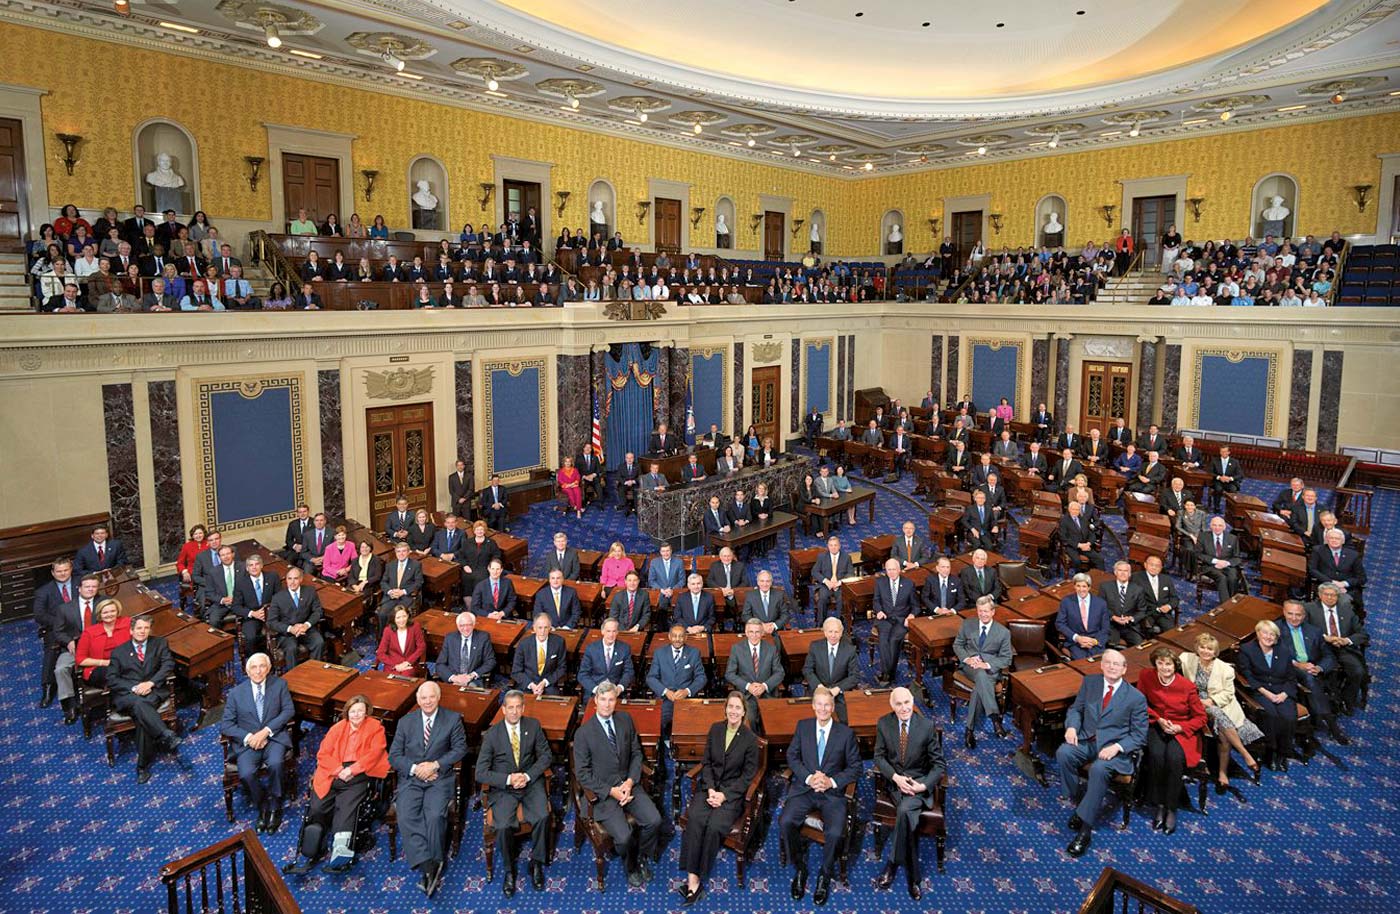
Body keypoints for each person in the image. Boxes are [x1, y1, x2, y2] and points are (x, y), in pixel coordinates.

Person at [1055, 649, 1149, 857]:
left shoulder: (1136, 698)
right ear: (1102, 665)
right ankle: (1080, 804)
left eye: (1117, 664)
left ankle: (1085, 831)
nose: (1112, 667)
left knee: (1098, 769)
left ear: (1124, 669)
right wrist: (1071, 727)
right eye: (1108, 663)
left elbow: (1139, 735)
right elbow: (1076, 710)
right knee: (1064, 754)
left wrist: (1117, 747)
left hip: (1114, 751)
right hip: (1087, 740)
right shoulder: (1091, 683)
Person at [283, 695, 390, 875]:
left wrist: (352, 770)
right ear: (347, 712)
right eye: (353, 711)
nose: (356, 715)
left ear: (367, 712)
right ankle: (313, 846)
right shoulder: (337, 728)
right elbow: (323, 754)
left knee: (346, 807)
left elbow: (375, 753)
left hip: (359, 773)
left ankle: (340, 851)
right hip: (332, 772)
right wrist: (339, 769)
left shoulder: (375, 727)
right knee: (317, 807)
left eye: (360, 711)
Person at [574, 680, 662, 887]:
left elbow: (636, 753)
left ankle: (640, 856)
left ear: (616, 701)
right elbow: (582, 774)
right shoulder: (584, 733)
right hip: (604, 794)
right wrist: (611, 791)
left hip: (628, 785)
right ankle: (630, 865)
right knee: (623, 838)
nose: (606, 704)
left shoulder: (625, 719)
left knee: (655, 820)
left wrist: (631, 781)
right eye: (602, 699)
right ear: (595, 701)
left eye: (611, 700)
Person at [677, 690, 760, 904]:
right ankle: (692, 880)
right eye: (730, 707)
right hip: (710, 788)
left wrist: (724, 795)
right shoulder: (715, 729)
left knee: (714, 826)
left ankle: (696, 879)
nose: (733, 711)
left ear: (744, 712)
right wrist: (712, 790)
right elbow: (706, 763)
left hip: (731, 795)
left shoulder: (750, 740)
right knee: (695, 819)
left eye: (737, 708)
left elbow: (747, 777)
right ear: (725, 709)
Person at [781, 687, 861, 905]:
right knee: (786, 822)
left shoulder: (845, 733)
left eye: (828, 705)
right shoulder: (803, 726)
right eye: (820, 704)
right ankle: (799, 868)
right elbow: (792, 756)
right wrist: (808, 778)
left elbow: (856, 768)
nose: (823, 709)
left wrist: (831, 782)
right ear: (813, 706)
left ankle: (825, 874)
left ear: (833, 707)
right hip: (804, 790)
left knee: (835, 833)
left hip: (831, 794)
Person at [389, 682, 466, 896]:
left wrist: (435, 765)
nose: (428, 701)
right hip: (412, 779)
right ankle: (427, 862)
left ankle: (433, 863)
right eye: (423, 698)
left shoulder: (452, 719)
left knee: (434, 816)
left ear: (438, 697)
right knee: (406, 814)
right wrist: (415, 769)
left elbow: (460, 748)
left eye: (431, 697)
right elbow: (394, 756)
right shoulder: (405, 722)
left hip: (439, 779)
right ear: (417, 700)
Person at [475, 689, 554, 897]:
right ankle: (509, 870)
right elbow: (480, 772)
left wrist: (527, 776)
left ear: (523, 708)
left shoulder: (533, 726)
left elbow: (546, 757)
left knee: (542, 816)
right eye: (510, 707)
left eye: (518, 707)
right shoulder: (492, 734)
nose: (514, 711)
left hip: (530, 783)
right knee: (502, 825)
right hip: (504, 788)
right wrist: (509, 779)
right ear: (503, 709)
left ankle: (536, 863)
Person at [873, 687, 945, 900]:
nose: (904, 708)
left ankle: (893, 864)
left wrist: (922, 787)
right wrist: (895, 777)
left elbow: (939, 765)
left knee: (905, 811)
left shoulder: (926, 726)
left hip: (919, 786)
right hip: (896, 785)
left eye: (907, 703)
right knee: (907, 817)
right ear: (891, 705)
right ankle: (913, 878)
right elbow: (878, 757)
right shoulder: (883, 723)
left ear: (912, 701)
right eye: (898, 704)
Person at [220, 653, 295, 833]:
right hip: (248, 743)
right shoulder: (236, 694)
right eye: (254, 667)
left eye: (262, 666)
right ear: (247, 671)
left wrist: (265, 732)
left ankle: (276, 805)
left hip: (273, 738)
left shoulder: (280, 685)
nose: (258, 671)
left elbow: (288, 711)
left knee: (276, 764)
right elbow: (226, 724)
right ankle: (262, 805)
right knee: (246, 774)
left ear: (268, 668)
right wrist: (248, 737)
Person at [1179, 634, 1262, 793]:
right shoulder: (1186, 659)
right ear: (1197, 648)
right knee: (1218, 719)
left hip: (1218, 705)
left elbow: (1229, 694)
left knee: (1221, 730)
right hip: (1194, 704)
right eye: (1202, 647)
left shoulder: (1225, 669)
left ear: (1215, 651)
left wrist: (1212, 700)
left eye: (1209, 649)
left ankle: (1223, 773)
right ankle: (1244, 754)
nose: (1205, 651)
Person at [1136, 648, 1206, 834]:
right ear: (1155, 664)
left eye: (1168, 663)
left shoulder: (1187, 686)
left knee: (1174, 759)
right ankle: (1159, 804)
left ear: (1175, 665)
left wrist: (1180, 728)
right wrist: (1157, 718)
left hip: (1181, 730)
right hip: (1157, 725)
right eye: (1160, 663)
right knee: (1157, 756)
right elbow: (1140, 702)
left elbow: (1201, 718)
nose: (1164, 667)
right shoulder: (1146, 676)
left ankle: (1171, 807)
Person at [107, 615, 182, 783]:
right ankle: (165, 734)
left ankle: (142, 767)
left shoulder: (160, 643)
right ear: (131, 631)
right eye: (139, 628)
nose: (142, 631)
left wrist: (151, 683)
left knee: (142, 718)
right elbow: (112, 679)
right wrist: (134, 688)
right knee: (141, 705)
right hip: (128, 696)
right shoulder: (119, 651)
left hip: (152, 692)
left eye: (146, 628)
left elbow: (168, 665)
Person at [1278, 600, 1349, 744]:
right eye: (1290, 614)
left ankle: (1322, 716)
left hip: (1313, 670)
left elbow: (1329, 656)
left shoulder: (1314, 631)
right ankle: (1331, 723)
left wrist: (1319, 668)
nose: (1294, 618)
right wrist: (1298, 664)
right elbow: (1274, 655)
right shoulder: (1276, 630)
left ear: (1304, 615)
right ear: (1284, 613)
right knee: (1309, 678)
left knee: (1311, 677)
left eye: (1298, 615)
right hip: (1288, 669)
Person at [953, 596, 1012, 746]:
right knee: (979, 674)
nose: (983, 614)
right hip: (970, 667)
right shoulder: (967, 624)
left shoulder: (1003, 632)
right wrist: (967, 659)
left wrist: (987, 664)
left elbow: (1006, 659)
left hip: (989, 671)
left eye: (986, 611)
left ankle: (969, 730)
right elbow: (958, 645)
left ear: (993, 612)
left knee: (979, 685)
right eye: (980, 611)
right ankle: (995, 718)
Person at [1237, 620, 1297, 771]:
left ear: (1276, 637)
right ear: (1258, 634)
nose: (1268, 637)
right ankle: (1271, 751)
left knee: (1289, 716)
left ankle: (1283, 754)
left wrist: (1284, 694)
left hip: (1281, 690)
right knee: (1271, 715)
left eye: (1272, 634)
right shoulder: (1247, 650)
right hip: (1260, 690)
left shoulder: (1284, 650)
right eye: (1265, 633)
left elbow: (1291, 677)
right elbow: (1248, 676)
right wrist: (1266, 693)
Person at [649, 623, 708, 743]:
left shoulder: (694, 653)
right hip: (666, 699)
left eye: (681, 636)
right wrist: (666, 692)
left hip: (686, 699)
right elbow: (651, 678)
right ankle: (664, 748)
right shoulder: (659, 653)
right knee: (659, 723)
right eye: (674, 636)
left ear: (686, 638)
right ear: (669, 637)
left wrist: (687, 691)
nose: (677, 639)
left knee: (694, 724)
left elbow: (701, 677)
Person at [802, 617, 859, 723]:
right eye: (830, 631)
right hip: (817, 691)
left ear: (841, 633)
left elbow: (854, 676)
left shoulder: (850, 650)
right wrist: (819, 686)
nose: (833, 635)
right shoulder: (815, 647)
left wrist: (837, 689)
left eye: (836, 632)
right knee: (809, 721)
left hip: (839, 695)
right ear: (825, 632)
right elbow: (807, 669)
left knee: (843, 723)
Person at [268, 567, 323, 666]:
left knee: (319, 642)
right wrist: (290, 629)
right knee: (291, 648)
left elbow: (318, 611)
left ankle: (315, 670)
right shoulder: (278, 597)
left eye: (295, 578)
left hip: (306, 629)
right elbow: (271, 622)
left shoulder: (310, 591)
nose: (292, 582)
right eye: (289, 579)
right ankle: (293, 677)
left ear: (301, 579)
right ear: (286, 580)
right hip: (287, 633)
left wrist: (306, 625)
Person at [873, 558, 916, 684]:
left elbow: (915, 605)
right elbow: (876, 600)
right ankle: (888, 674)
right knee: (883, 642)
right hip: (884, 618)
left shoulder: (909, 584)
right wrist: (879, 610)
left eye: (893, 569)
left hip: (901, 620)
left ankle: (887, 674)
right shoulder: (880, 582)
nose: (891, 572)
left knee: (893, 641)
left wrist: (911, 615)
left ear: (899, 570)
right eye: (888, 570)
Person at [232, 554, 279, 655]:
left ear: (261, 565)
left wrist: (268, 612)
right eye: (251, 565)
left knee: (281, 632)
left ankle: (274, 660)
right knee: (250, 636)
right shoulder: (241, 582)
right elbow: (236, 606)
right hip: (252, 617)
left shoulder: (272, 577)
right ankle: (253, 661)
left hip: (271, 615)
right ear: (247, 568)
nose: (254, 567)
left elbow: (279, 598)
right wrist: (253, 613)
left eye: (257, 564)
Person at [1055, 573, 1110, 659]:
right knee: (1082, 664)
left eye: (1084, 586)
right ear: (1074, 586)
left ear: (1089, 587)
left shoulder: (1101, 603)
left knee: (1099, 664)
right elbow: (1060, 623)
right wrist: (1077, 638)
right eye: (1078, 586)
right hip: (1075, 643)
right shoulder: (1066, 601)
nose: (1081, 589)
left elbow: (1105, 628)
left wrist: (1094, 641)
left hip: (1095, 642)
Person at [1309, 527, 1365, 609]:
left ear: (1343, 541)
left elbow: (1362, 578)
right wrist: (1332, 582)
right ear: (1327, 540)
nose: (1334, 540)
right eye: (1331, 538)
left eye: (1337, 538)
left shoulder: (1353, 555)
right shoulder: (1318, 550)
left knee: (1345, 604)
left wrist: (1344, 584)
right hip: (1325, 584)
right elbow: (1313, 570)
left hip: (1346, 589)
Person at [435, 611, 496, 687]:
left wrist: (472, 675)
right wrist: (454, 678)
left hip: (473, 680)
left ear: (474, 624)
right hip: (453, 679)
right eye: (462, 625)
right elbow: (440, 664)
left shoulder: (483, 637)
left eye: (469, 625)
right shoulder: (450, 638)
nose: (465, 629)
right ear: (457, 626)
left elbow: (490, 661)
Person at [512, 614, 565, 696]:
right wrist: (531, 685)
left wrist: (545, 682)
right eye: (540, 628)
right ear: (534, 628)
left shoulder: (559, 642)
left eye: (546, 627)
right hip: (527, 685)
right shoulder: (523, 644)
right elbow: (516, 672)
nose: (542, 631)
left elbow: (562, 668)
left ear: (550, 628)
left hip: (549, 684)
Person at [1101, 560, 1150, 647]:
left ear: (1130, 574)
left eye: (1126, 571)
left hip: (1130, 626)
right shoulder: (1105, 587)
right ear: (1115, 572)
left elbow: (1142, 611)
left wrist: (1131, 618)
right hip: (1111, 625)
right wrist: (1113, 617)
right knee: (1110, 646)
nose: (1123, 573)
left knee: (1139, 646)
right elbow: (1101, 608)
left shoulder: (1138, 589)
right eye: (1120, 570)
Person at [1196, 516, 1243, 603]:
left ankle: (1232, 602)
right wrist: (1216, 561)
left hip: (1227, 565)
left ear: (1224, 527)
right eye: (1214, 525)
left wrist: (1227, 563)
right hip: (1210, 566)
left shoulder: (1232, 538)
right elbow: (1198, 554)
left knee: (1233, 578)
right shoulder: (1203, 536)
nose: (1217, 528)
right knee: (1222, 577)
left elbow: (1237, 557)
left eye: (1220, 525)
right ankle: (1225, 605)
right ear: (1210, 526)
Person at [379, 541, 424, 630]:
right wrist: (390, 591)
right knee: (382, 614)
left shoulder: (416, 565)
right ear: (395, 553)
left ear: (408, 552)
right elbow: (383, 582)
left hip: (406, 597)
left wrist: (403, 592)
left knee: (395, 615)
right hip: (391, 597)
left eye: (404, 551)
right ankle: (383, 639)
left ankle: (398, 638)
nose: (401, 554)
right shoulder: (390, 565)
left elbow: (419, 582)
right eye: (398, 551)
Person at [1131, 555, 1179, 635]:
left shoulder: (1166, 579)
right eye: (1151, 565)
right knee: (1147, 633)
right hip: (1146, 614)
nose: (1154, 568)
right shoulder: (1136, 577)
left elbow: (1174, 598)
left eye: (1157, 566)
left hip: (1163, 614)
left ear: (1161, 568)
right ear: (1145, 565)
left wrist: (1169, 606)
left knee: (1172, 633)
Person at [811, 536, 852, 622]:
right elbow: (814, 571)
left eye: (835, 545)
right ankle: (821, 624)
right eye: (831, 545)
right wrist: (826, 581)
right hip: (826, 585)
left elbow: (851, 573)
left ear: (839, 546)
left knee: (842, 600)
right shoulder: (822, 557)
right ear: (828, 546)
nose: (833, 547)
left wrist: (839, 582)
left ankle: (838, 623)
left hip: (840, 586)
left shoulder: (846, 557)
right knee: (822, 598)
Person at [459, 522, 501, 606]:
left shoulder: (491, 543)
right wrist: (465, 565)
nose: (479, 531)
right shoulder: (467, 542)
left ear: (485, 531)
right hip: (469, 568)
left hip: (484, 568)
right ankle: (469, 607)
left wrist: (491, 567)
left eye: (481, 529)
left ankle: (480, 605)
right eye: (477, 529)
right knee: (466, 582)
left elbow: (496, 555)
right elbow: (461, 556)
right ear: (474, 531)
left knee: (481, 580)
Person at [378, 606, 426, 674]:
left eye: (404, 616)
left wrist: (408, 662)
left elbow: (421, 647)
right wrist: (395, 665)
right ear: (393, 619)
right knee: (390, 682)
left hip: (409, 664)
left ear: (408, 616)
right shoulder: (388, 630)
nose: (402, 620)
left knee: (405, 679)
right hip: (392, 666)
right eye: (398, 617)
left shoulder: (415, 627)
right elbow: (380, 652)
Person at [1209, 445, 1243, 513]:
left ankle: (1230, 509)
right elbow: (1210, 472)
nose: (1223, 453)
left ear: (1229, 452)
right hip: (1218, 481)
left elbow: (1240, 474)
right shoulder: (1214, 461)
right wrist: (1219, 477)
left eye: (1225, 451)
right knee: (1218, 489)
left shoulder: (1235, 462)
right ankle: (1216, 507)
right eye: (1221, 451)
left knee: (1233, 489)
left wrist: (1230, 478)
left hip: (1230, 482)